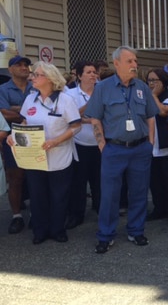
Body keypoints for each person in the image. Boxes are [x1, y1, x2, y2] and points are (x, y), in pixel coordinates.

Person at [85, 46, 159, 254]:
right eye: (130, 61)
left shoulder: (142, 87)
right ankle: (105, 235)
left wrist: (150, 144)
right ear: (116, 63)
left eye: (135, 61)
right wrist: (102, 146)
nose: (135, 65)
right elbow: (95, 117)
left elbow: (150, 116)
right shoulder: (103, 88)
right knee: (109, 195)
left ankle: (136, 230)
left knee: (139, 192)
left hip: (140, 149)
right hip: (114, 149)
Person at [8, 61, 81, 244]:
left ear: (49, 78)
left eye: (37, 75)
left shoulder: (66, 100)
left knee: (59, 196)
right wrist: (13, 136)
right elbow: (24, 124)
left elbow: (76, 126)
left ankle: (57, 230)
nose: (32, 77)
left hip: (59, 156)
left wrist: (56, 140)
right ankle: (40, 231)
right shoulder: (30, 99)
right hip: (35, 157)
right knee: (37, 195)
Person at [0, 55, 33, 234]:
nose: (23, 67)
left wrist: (15, 109)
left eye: (26, 64)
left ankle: (36, 214)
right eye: (18, 65)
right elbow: (3, 113)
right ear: (10, 69)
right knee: (15, 177)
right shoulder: (3, 89)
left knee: (36, 176)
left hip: (36, 136)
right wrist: (30, 112)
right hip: (12, 136)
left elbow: (45, 107)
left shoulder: (36, 86)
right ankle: (16, 216)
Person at [66, 61, 101, 229]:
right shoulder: (70, 94)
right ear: (79, 76)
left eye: (94, 72)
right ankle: (77, 214)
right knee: (78, 182)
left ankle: (101, 209)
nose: (93, 75)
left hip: (99, 143)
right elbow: (71, 117)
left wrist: (87, 120)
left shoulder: (102, 92)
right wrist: (90, 105)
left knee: (99, 179)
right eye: (89, 72)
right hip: (79, 143)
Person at [146, 69, 168, 227]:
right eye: (149, 80)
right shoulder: (145, 97)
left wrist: (153, 95)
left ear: (164, 82)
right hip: (152, 147)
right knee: (155, 182)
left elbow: (162, 112)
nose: (152, 83)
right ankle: (159, 209)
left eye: (155, 80)